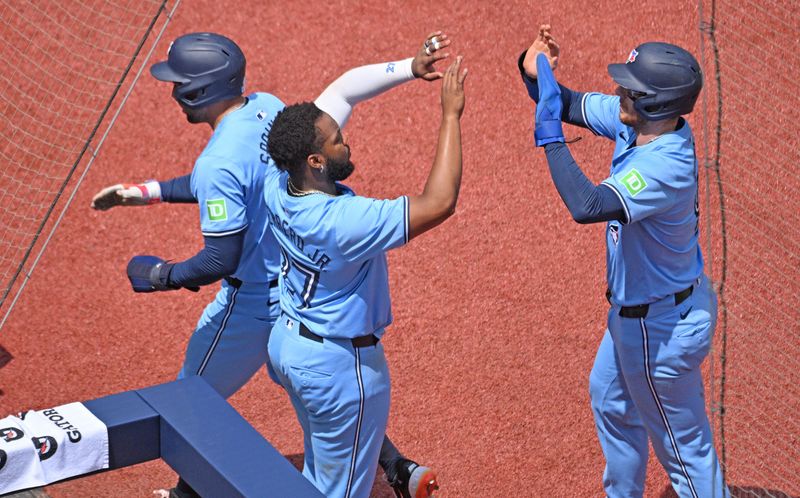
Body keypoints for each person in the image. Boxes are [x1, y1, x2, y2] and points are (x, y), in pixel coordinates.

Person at [91, 31, 443, 498]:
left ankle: (185, 495)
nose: (173, 93)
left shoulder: (217, 162)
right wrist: (145, 193)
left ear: (199, 90)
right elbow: (222, 180)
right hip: (296, 296)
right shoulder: (268, 109)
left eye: (178, 84)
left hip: (251, 308)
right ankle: (395, 465)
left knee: (189, 403)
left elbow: (218, 255)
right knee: (321, 398)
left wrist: (159, 276)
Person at [519, 25, 729, 498]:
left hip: (660, 331)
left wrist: (549, 139)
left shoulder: (666, 164)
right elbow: (567, 103)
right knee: (611, 397)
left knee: (684, 452)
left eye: (630, 88)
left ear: (656, 103)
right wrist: (534, 67)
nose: (618, 92)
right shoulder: (639, 122)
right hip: (640, 315)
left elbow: (587, 206)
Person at [262, 41, 467, 498]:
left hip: (289, 347)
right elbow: (440, 203)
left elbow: (343, 91)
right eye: (335, 139)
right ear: (315, 160)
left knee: (322, 457)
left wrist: (410, 68)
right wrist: (450, 115)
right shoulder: (342, 223)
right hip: (339, 369)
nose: (345, 138)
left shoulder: (280, 179)